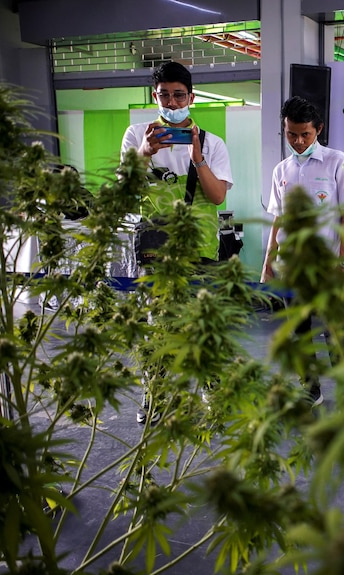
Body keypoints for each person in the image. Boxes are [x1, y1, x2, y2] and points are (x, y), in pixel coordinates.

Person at [120, 61, 234, 424]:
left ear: (192, 97)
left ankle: (212, 393)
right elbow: (124, 192)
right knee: (158, 325)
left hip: (200, 245)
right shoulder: (136, 134)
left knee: (204, 322)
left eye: (178, 95)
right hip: (155, 247)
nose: (171, 103)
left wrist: (197, 158)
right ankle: (155, 397)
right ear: (155, 97)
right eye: (164, 95)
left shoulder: (213, 142)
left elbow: (217, 197)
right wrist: (144, 154)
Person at [261, 96, 344, 406]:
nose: (299, 141)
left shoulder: (338, 162)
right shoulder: (281, 170)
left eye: (306, 134)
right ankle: (310, 388)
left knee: (335, 331)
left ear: (319, 129)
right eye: (292, 134)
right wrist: (268, 262)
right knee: (299, 330)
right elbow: (278, 218)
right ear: (284, 130)